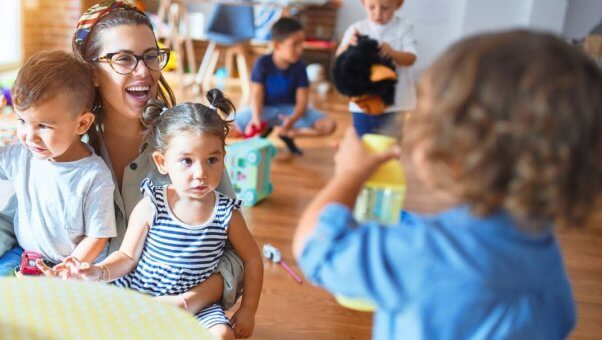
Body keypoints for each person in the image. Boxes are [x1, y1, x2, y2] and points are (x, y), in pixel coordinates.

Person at [0, 0, 245, 316]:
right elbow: (16, 217)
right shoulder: (60, 141)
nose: (143, 71)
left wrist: (189, 301)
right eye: (123, 59)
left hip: (143, 308)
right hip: (66, 292)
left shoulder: (189, 147)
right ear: (91, 72)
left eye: (150, 56)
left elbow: (233, 254)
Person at [293, 30, 601, 339]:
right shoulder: (544, 258)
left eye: (424, 114)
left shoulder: (428, 254)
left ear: (462, 148)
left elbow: (315, 247)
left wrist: (349, 174)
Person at [43, 89, 263, 339]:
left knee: (223, 334)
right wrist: (99, 271)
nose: (200, 173)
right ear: (162, 162)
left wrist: (248, 310)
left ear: (224, 158)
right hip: (140, 293)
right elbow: (126, 256)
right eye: (187, 161)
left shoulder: (226, 213)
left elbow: (253, 260)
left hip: (196, 306)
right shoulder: (153, 203)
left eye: (211, 160)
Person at [0, 50, 117, 275]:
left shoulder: (93, 175)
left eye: (43, 126)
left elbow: (97, 236)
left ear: (82, 124)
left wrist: (68, 269)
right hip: (26, 256)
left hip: (75, 266)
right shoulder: (24, 156)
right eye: (22, 121)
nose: (29, 135)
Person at [233, 17, 335, 156]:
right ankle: (263, 132)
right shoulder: (262, 63)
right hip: (264, 109)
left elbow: (302, 101)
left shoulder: (300, 67)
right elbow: (256, 93)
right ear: (277, 45)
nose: (300, 49)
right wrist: (256, 118)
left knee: (328, 125)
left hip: (290, 111)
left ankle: (288, 134)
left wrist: (292, 119)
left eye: (302, 44)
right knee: (229, 127)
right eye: (295, 44)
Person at [335, 0, 416, 136]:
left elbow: (411, 59)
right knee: (363, 140)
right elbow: (339, 58)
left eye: (385, 7)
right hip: (363, 102)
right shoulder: (357, 28)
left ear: (398, 4)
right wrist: (348, 45)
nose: (378, 13)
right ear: (363, 3)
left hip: (396, 103)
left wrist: (392, 53)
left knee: (391, 143)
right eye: (371, 7)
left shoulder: (404, 27)